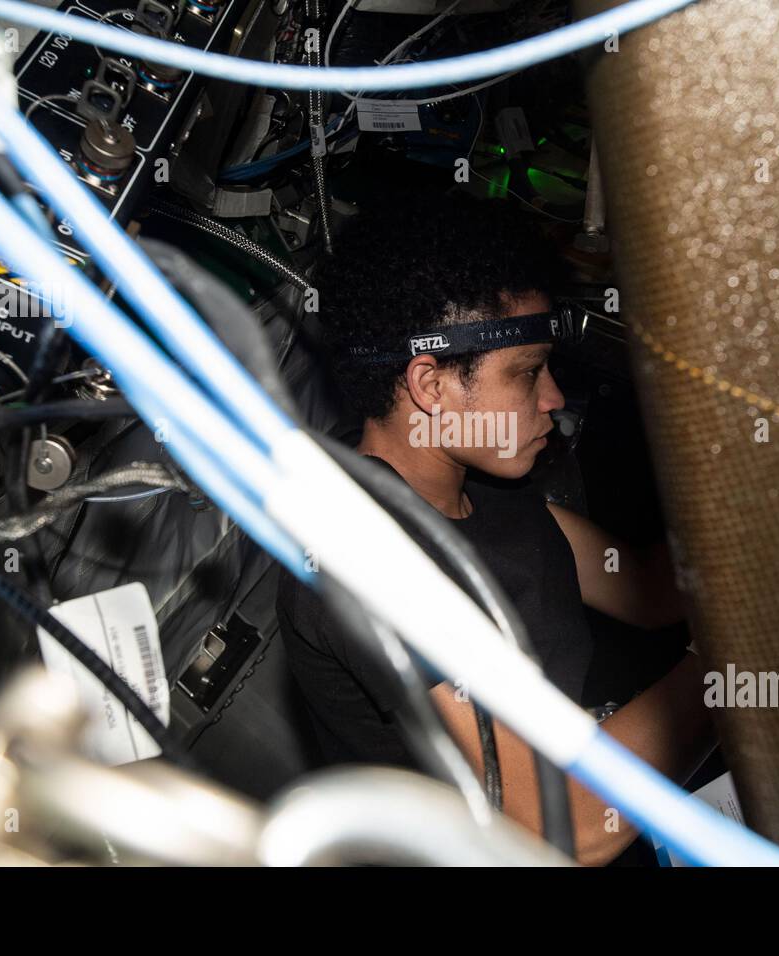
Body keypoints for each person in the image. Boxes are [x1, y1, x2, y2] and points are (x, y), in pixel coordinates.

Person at [276, 190, 715, 865]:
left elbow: (650, 591)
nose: (554, 398)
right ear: (433, 385)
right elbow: (563, 821)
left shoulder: (484, 487)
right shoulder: (364, 553)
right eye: (528, 372)